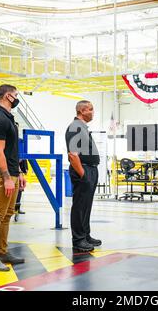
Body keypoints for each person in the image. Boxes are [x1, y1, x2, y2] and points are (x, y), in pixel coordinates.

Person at [0, 84, 27, 271]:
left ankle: (2, 251)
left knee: (8, 214)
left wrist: (19, 172)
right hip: (3, 176)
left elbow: (11, 151)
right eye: (16, 95)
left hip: (12, 173)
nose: (17, 98)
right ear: (8, 96)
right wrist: (7, 177)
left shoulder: (9, 118)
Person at [65, 100, 101, 252]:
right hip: (83, 170)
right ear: (81, 111)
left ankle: (85, 235)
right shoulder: (75, 127)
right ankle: (78, 239)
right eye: (90, 109)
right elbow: (73, 155)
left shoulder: (83, 128)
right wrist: (83, 175)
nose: (93, 112)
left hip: (90, 169)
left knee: (86, 205)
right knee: (80, 206)